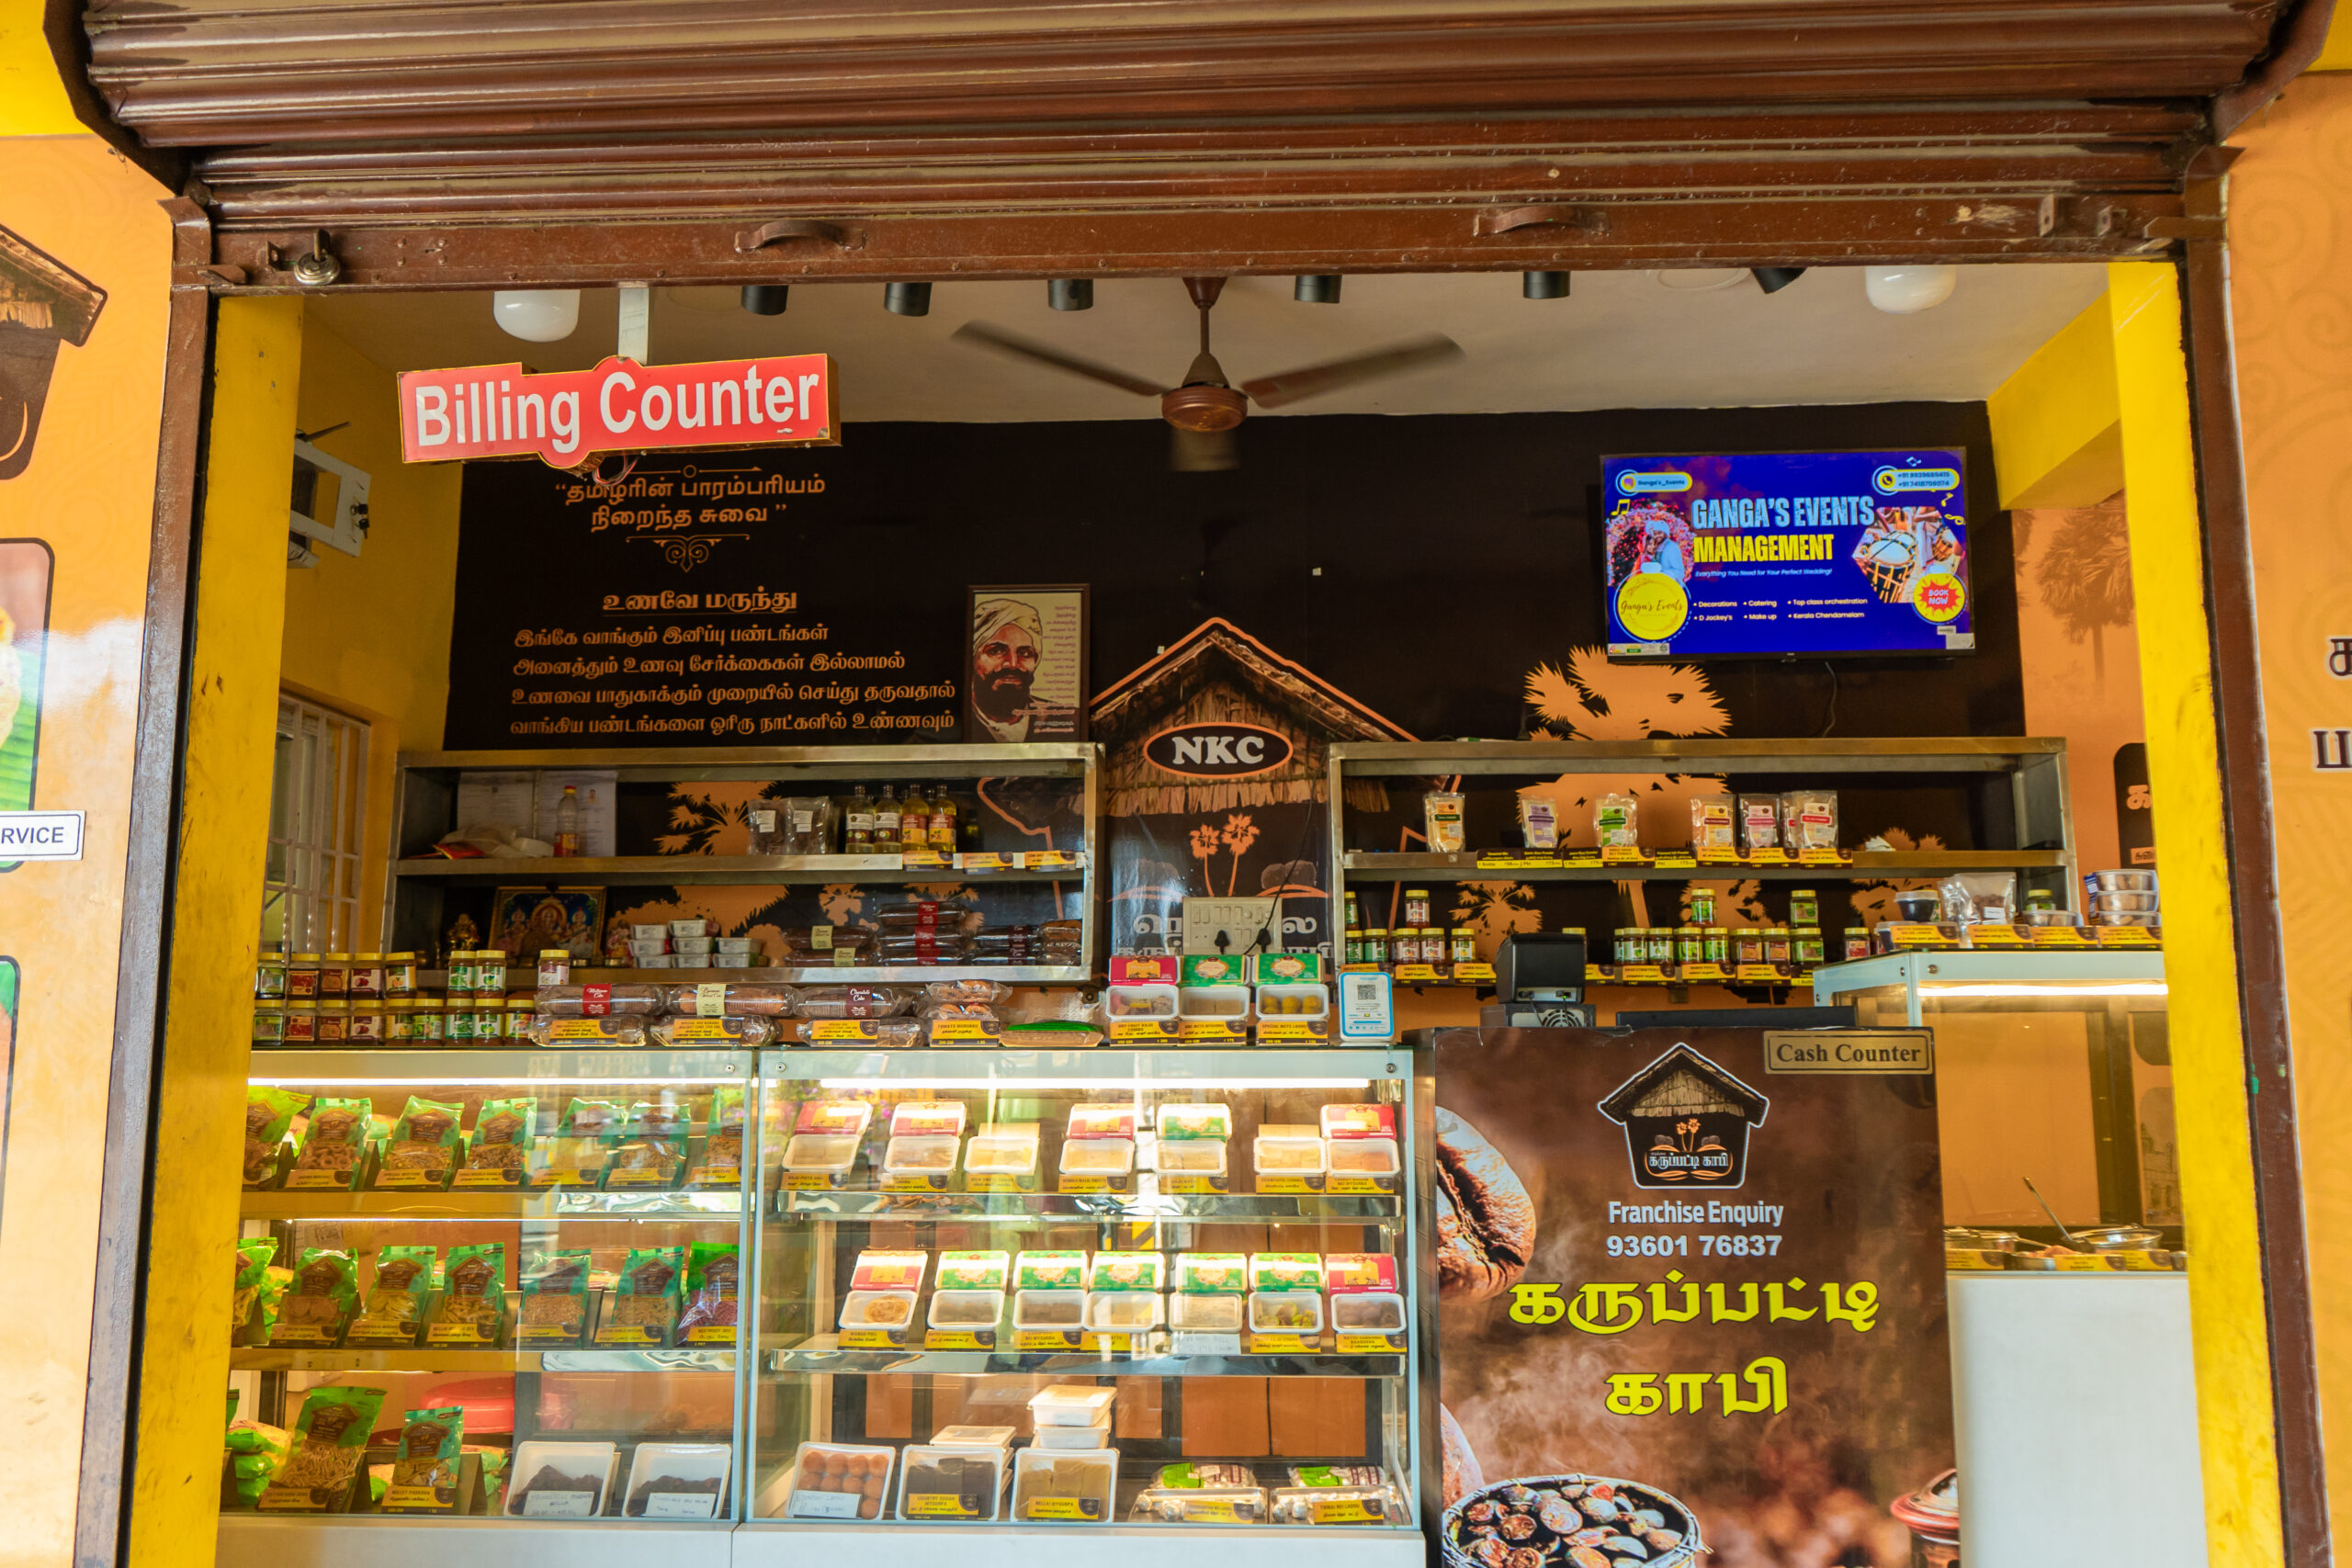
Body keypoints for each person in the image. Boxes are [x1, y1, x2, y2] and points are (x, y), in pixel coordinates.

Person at [969, 595, 1078, 741]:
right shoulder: (958, 718)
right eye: (996, 651)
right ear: (973, 658)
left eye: (1025, 653)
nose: (1013, 664)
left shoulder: (1068, 720)